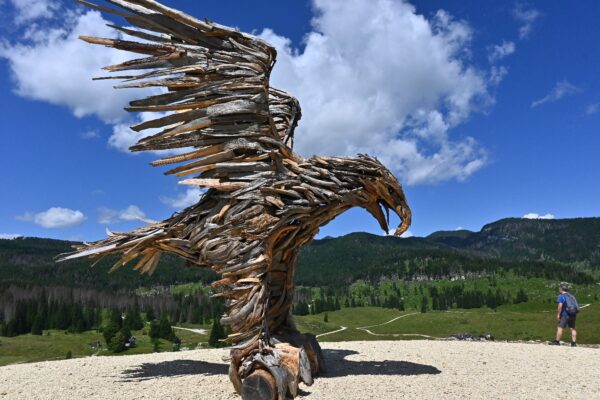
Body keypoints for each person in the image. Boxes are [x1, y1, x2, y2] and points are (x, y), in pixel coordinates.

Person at [549, 282, 577, 347]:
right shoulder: (572, 296)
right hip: (573, 314)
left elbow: (560, 306)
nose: (559, 289)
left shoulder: (561, 296)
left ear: (561, 289)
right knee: (572, 328)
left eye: (559, 288)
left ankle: (557, 341)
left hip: (565, 314)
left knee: (560, 327)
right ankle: (574, 343)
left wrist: (558, 314)